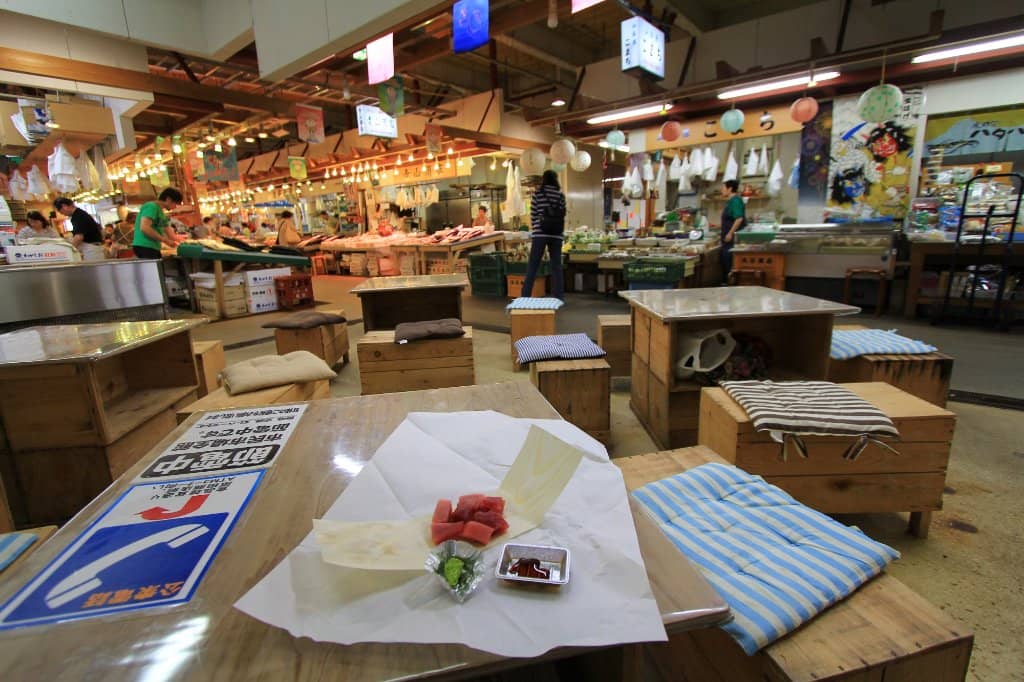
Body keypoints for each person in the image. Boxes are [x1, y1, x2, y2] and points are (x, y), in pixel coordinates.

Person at [521, 170, 566, 300]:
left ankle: (525, 296)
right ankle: (559, 297)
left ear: (544, 180)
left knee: (533, 266)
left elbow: (533, 214)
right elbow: (562, 214)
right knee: (556, 267)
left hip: (540, 234)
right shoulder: (560, 196)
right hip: (556, 234)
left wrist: (536, 228)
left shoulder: (538, 194)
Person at [132, 187, 183, 259]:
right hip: (145, 245)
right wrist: (165, 240)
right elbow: (145, 228)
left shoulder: (161, 212)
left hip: (153, 247)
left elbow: (170, 234)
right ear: (168, 199)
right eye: (175, 204)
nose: (175, 207)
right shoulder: (151, 207)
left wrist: (183, 240)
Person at [719, 179, 746, 284]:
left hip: (732, 240)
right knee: (725, 261)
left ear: (730, 189)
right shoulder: (731, 201)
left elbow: (739, 218)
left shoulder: (736, 201)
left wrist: (730, 233)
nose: (721, 190)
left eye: (723, 188)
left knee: (730, 262)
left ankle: (731, 286)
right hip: (727, 239)